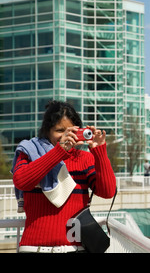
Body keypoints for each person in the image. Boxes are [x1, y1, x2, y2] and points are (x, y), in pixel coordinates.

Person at [11, 100, 116, 253]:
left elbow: (107, 192)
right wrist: (59, 152)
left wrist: (99, 152)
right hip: (34, 248)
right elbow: (21, 181)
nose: (66, 136)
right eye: (60, 130)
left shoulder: (84, 158)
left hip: (74, 248)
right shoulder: (29, 152)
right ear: (47, 130)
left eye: (71, 130)